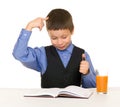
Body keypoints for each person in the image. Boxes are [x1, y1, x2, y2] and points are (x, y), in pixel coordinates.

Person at [13, 8, 96, 88]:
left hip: (74, 102)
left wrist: (87, 73)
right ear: (48, 34)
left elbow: (93, 87)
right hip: (48, 102)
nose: (60, 42)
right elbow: (19, 54)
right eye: (54, 38)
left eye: (64, 37)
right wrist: (29, 27)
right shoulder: (42, 54)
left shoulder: (83, 55)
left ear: (72, 31)